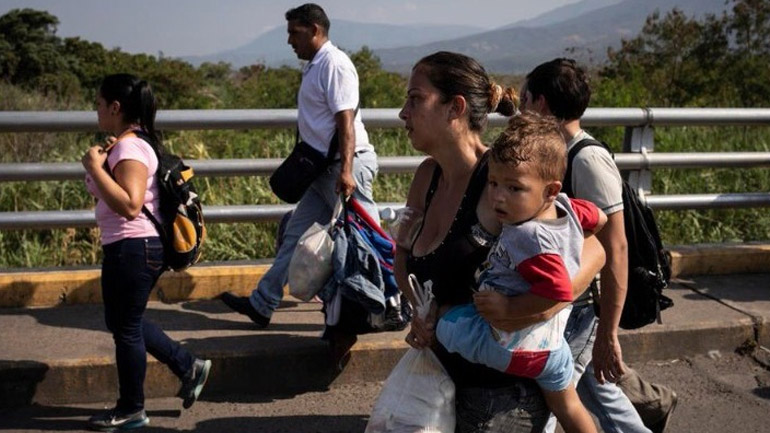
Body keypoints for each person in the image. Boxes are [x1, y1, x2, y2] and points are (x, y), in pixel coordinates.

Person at [395, 51, 606, 433]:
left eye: (414, 98)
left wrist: (535, 307)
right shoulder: (426, 178)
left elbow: (594, 248)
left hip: (502, 399)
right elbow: (408, 265)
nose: (402, 113)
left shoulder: (506, 180)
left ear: (454, 108)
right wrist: (421, 314)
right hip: (442, 381)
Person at [520, 58, 677, 433]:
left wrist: (608, 332)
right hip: (564, 303)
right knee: (599, 394)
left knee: (553, 397)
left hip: (583, 308)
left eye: (525, 99)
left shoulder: (586, 159)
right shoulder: (556, 151)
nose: (521, 108)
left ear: (541, 103)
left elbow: (616, 247)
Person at [219, 3, 379, 351]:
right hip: (324, 170)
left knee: (358, 242)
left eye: (295, 33)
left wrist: (348, 171)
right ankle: (263, 304)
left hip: (342, 169)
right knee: (295, 235)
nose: (290, 41)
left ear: (315, 30)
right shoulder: (315, 65)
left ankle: (383, 305)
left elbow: (345, 122)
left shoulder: (334, 64)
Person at [435, 114, 607, 433]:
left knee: (445, 326)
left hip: (516, 345)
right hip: (553, 348)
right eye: (494, 183)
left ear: (550, 190)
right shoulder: (568, 206)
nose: (499, 196)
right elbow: (598, 218)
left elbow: (558, 291)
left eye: (515, 188)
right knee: (568, 405)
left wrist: (510, 309)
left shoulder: (526, 235)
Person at [82, 74, 211, 431]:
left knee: (125, 328)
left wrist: (94, 167)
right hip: (132, 247)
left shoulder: (130, 148)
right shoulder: (130, 143)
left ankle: (132, 408)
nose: (95, 111)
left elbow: (130, 204)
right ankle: (188, 366)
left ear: (115, 107)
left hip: (132, 247)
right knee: (125, 322)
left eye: (98, 104)